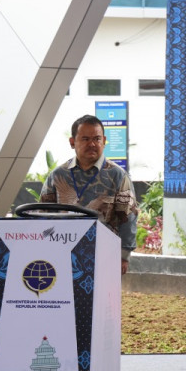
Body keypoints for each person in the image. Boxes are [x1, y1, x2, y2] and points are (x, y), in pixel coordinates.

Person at [40, 114, 138, 275]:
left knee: (101, 300)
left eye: (97, 139)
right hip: (61, 254)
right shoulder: (58, 175)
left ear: (104, 141)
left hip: (104, 256)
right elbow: (42, 215)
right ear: (72, 142)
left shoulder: (117, 175)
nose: (92, 144)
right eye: (85, 139)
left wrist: (124, 256)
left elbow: (128, 217)